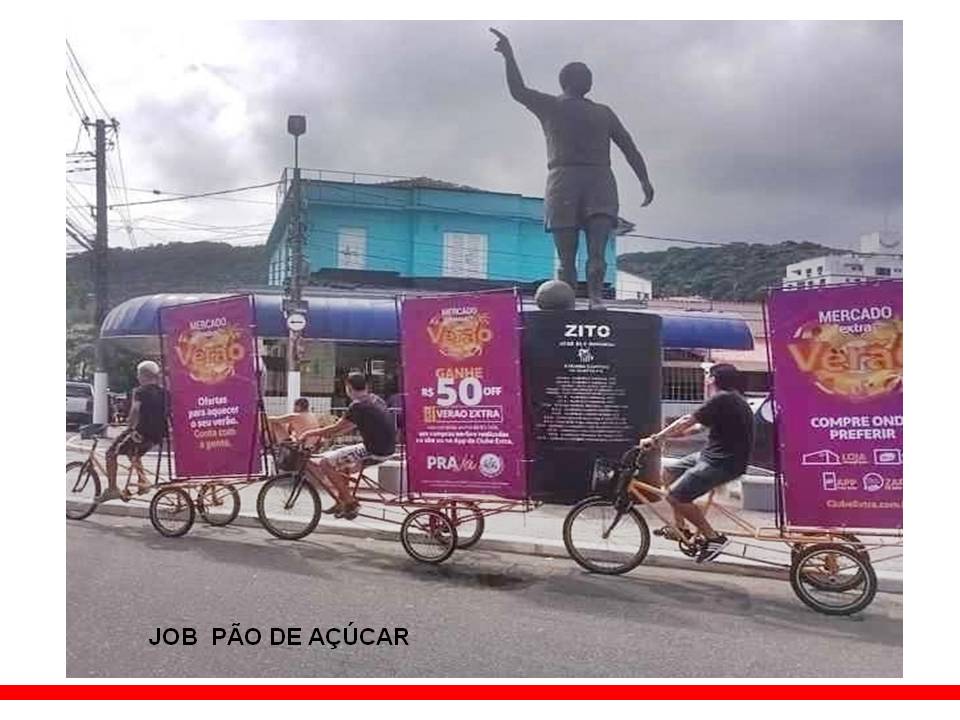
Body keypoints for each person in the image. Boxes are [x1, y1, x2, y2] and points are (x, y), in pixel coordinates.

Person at [490, 27, 654, 309]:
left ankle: (595, 298)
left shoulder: (600, 112)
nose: (588, 80)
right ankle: (574, 301)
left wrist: (644, 180)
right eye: (583, 76)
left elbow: (628, 146)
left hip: (593, 180)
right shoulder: (552, 106)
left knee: (594, 251)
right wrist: (509, 55)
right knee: (570, 255)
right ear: (569, 81)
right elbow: (518, 90)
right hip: (569, 180)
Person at [637, 363, 754, 563]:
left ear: (716, 379)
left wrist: (657, 438)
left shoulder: (723, 398)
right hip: (711, 455)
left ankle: (713, 538)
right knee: (669, 472)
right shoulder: (732, 399)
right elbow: (699, 427)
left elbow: (686, 420)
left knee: (675, 496)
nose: (706, 380)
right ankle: (680, 528)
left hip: (722, 462)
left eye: (709, 375)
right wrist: (674, 437)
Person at [299, 372, 397, 519]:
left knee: (325, 463)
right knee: (342, 461)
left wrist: (309, 433)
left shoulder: (357, 406)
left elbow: (336, 428)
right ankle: (341, 501)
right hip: (387, 448)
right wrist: (330, 436)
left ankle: (350, 503)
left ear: (348, 388)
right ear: (366, 386)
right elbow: (347, 427)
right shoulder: (374, 399)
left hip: (373, 450)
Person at [97, 360, 168, 502]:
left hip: (141, 432)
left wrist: (129, 426)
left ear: (143, 375)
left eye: (138, 374)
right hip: (156, 436)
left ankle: (112, 489)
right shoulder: (164, 393)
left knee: (111, 453)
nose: (138, 377)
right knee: (133, 454)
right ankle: (143, 482)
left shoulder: (140, 391)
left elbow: (135, 410)